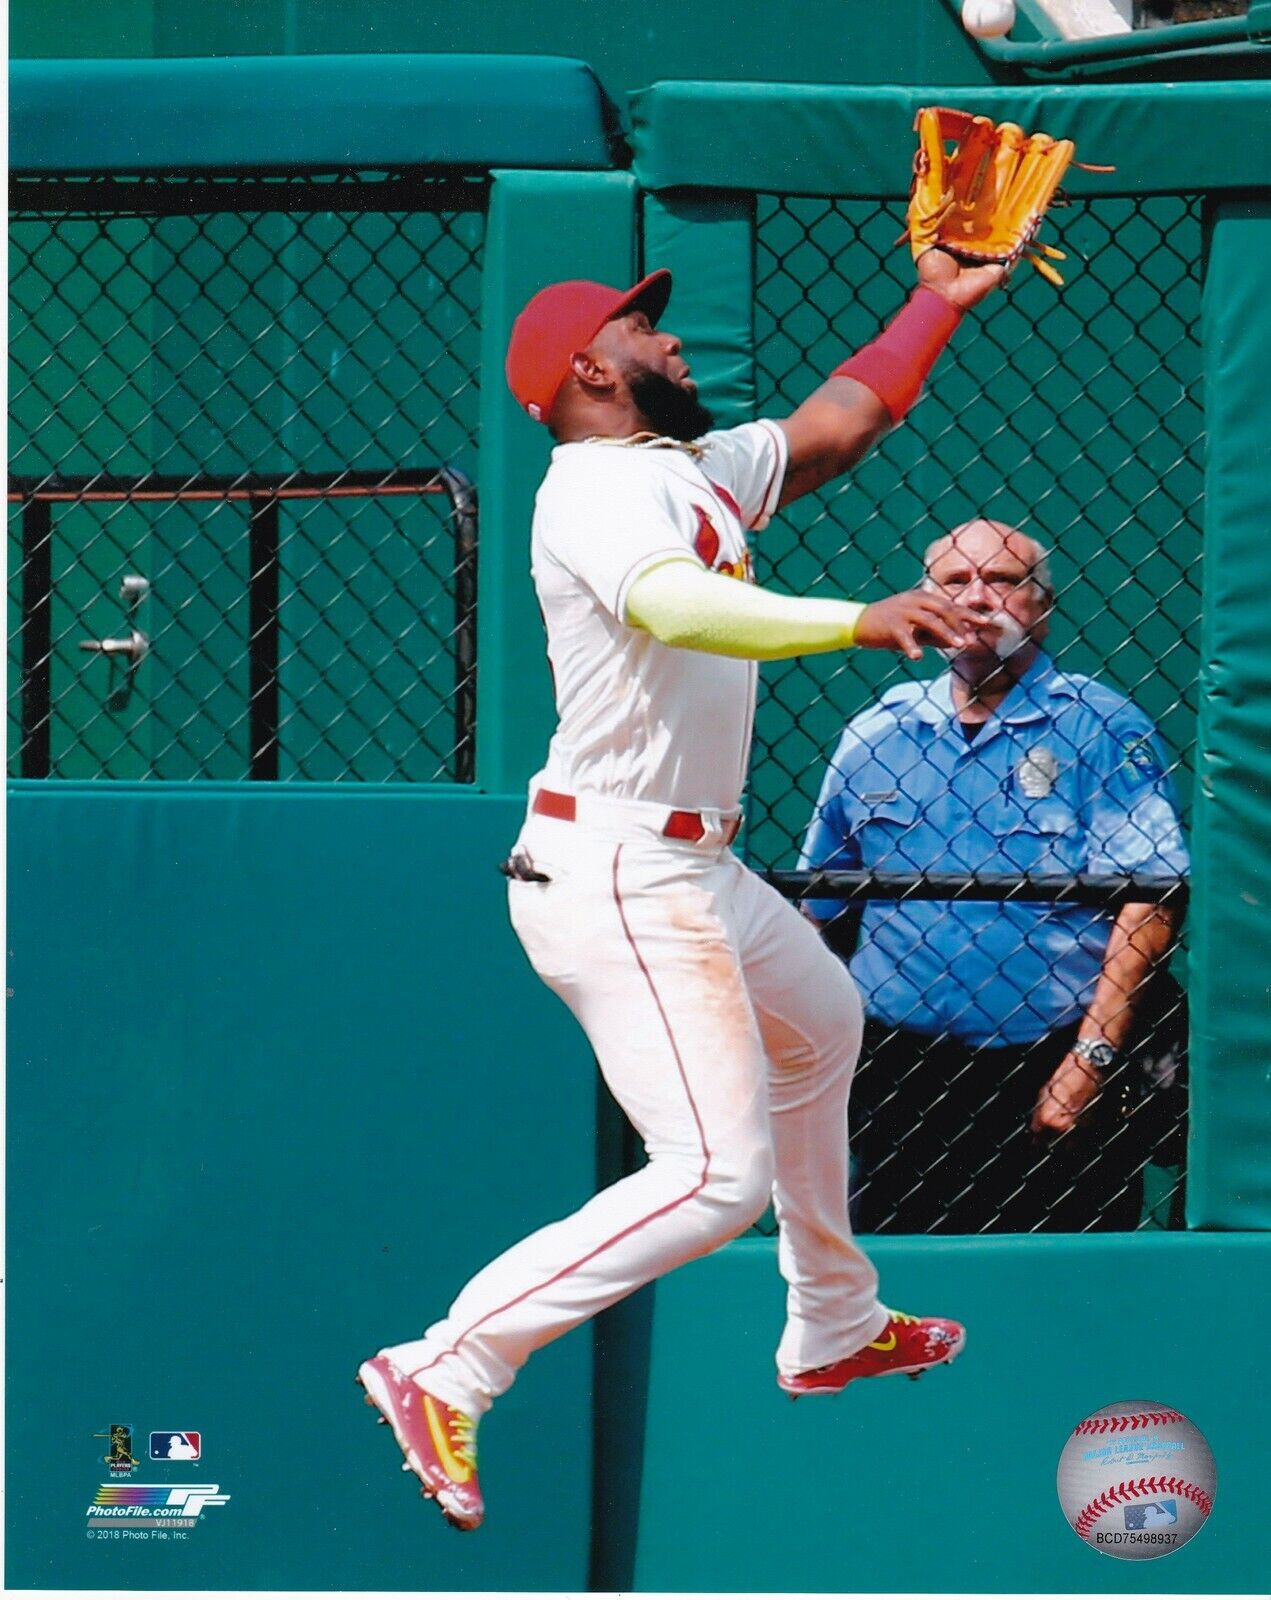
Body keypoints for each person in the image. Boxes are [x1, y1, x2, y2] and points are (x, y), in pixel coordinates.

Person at [357, 247, 1006, 1530]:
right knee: (714, 1176)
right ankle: (451, 1358)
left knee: (820, 1021)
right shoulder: (593, 493)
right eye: (639, 326)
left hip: (687, 861)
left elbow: (838, 424)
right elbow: (673, 608)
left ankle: (831, 1318)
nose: (669, 335)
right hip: (617, 864)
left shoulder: (683, 468)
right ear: (589, 370)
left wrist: (937, 293)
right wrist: (854, 620)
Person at [799, 519, 1189, 1235]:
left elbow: (1150, 899)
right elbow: (814, 911)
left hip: (1049, 1065)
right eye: (955, 582)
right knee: (898, 1289)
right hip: (897, 1073)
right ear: (923, 603)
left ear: (1041, 606)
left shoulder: (1100, 728)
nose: (977, 599)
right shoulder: (876, 734)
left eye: (1002, 581)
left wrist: (1090, 1059)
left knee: (1064, 1288)